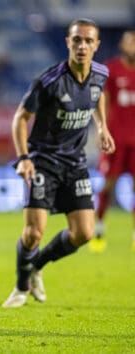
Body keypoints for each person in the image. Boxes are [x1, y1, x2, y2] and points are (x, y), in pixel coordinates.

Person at [2, 18, 115, 308]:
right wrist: (24, 158)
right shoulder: (49, 80)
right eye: (77, 40)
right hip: (42, 161)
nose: (82, 46)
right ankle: (21, 285)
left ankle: (37, 265)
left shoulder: (101, 74)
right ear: (68, 42)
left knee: (84, 233)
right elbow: (20, 118)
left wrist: (102, 127)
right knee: (33, 233)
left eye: (88, 41)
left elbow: (97, 96)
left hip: (75, 163)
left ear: (96, 45)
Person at [90, 30, 135, 253]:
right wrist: (102, 129)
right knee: (108, 184)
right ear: (122, 44)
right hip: (116, 139)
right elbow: (102, 99)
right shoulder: (111, 69)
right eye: (130, 42)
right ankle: (98, 227)